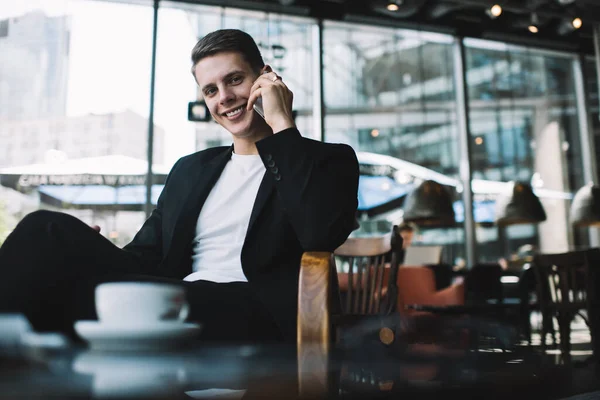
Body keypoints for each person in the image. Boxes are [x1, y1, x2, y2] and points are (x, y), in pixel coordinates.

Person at [0, 29, 359, 343]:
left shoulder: (327, 160)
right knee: (45, 230)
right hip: (176, 295)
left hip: (256, 307)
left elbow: (320, 234)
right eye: (211, 90)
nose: (224, 98)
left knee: (74, 299)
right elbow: (146, 256)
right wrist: (84, 249)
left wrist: (281, 122)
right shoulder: (191, 170)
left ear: (266, 78)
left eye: (235, 80)